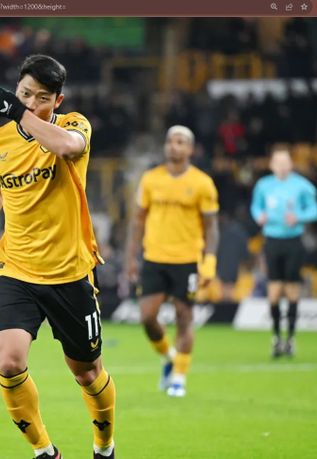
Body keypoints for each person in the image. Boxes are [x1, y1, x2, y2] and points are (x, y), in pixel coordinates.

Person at [0, 55, 115, 459]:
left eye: (40, 98)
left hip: (69, 272)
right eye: (24, 93)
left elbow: (67, 148)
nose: (29, 103)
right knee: (9, 363)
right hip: (17, 270)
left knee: (87, 372)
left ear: (57, 101)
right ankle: (45, 451)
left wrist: (19, 113)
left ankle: (104, 444)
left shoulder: (73, 125)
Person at [125, 125, 219, 398]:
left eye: (179, 142)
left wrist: (209, 261)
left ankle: (179, 377)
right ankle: (169, 355)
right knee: (147, 317)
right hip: (154, 258)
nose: (173, 146)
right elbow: (138, 220)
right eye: (169, 141)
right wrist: (132, 257)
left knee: (184, 316)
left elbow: (211, 227)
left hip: (187, 259)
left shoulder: (202, 183)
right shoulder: (151, 179)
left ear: (190, 149)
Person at [250, 147, 317, 358]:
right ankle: (276, 338)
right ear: (271, 165)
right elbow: (255, 207)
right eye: (277, 162)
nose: (281, 166)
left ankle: (290, 338)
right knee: (274, 289)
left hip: (293, 241)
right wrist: (259, 216)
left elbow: (314, 211)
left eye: (285, 162)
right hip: (272, 240)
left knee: (291, 289)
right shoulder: (263, 185)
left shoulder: (302, 186)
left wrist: (298, 216)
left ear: (291, 164)